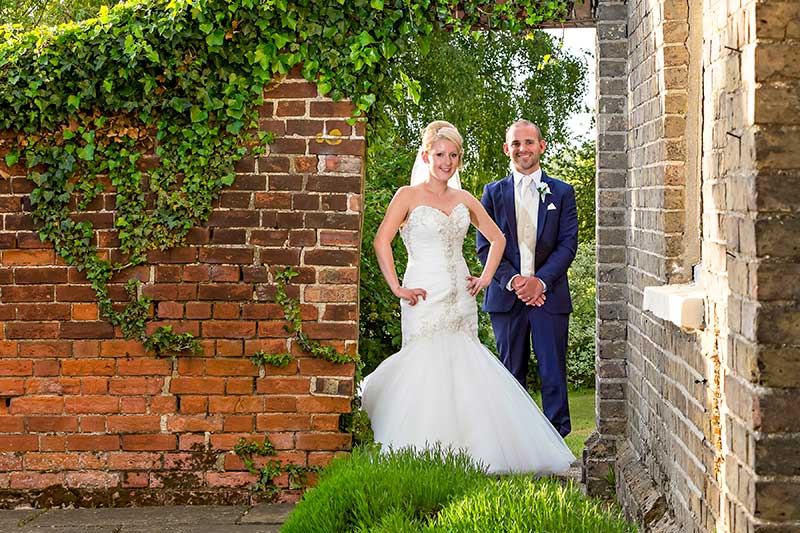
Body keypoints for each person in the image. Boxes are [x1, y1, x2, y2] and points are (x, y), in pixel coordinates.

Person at [361, 120, 574, 474]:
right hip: (423, 291)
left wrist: (487, 278)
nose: (447, 161)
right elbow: (381, 240)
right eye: (440, 154)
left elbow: (498, 239)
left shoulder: (465, 199)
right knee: (424, 364)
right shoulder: (406, 196)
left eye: (454, 155)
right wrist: (396, 286)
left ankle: (474, 449)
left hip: (460, 291)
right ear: (426, 156)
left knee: (466, 365)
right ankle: (423, 448)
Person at [476, 120, 579, 438]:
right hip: (507, 298)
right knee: (510, 373)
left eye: (529, 142)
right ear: (507, 149)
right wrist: (516, 282)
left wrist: (540, 282)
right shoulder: (492, 194)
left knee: (552, 372)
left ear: (541, 146)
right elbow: (484, 248)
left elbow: (568, 244)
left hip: (550, 297)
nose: (523, 149)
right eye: (516, 143)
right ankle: (513, 440)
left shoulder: (562, 192)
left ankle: (557, 440)